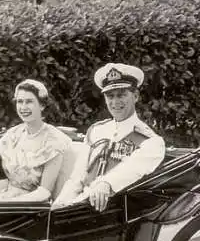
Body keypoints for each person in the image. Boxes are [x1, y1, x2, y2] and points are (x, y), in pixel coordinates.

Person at [53, 63, 165, 212]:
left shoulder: (151, 141)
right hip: (80, 207)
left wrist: (105, 183)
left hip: (114, 212)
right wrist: (61, 204)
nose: (115, 102)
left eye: (121, 95)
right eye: (110, 96)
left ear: (136, 96)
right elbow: (78, 176)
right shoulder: (96, 131)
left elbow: (132, 169)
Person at [0, 78, 72, 203]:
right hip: (7, 198)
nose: (23, 107)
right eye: (20, 102)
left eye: (29, 102)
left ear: (42, 105)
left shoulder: (54, 140)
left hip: (31, 207)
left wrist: (5, 203)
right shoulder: (14, 134)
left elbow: (44, 192)